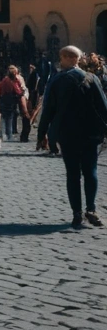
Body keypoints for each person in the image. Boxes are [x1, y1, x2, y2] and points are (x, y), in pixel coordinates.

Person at [37, 45, 106, 229]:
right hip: (90, 133)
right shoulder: (92, 79)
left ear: (66, 58)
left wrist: (42, 134)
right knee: (91, 171)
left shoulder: (57, 80)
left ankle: (77, 213)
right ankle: (91, 209)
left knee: (73, 174)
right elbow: (103, 106)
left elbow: (48, 110)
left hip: (67, 134)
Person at [0, 67, 26, 143]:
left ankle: (1, 135)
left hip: (2, 101)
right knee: (9, 119)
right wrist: (22, 92)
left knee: (3, 118)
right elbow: (18, 91)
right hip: (10, 102)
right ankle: (9, 135)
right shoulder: (11, 82)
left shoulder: (3, 81)